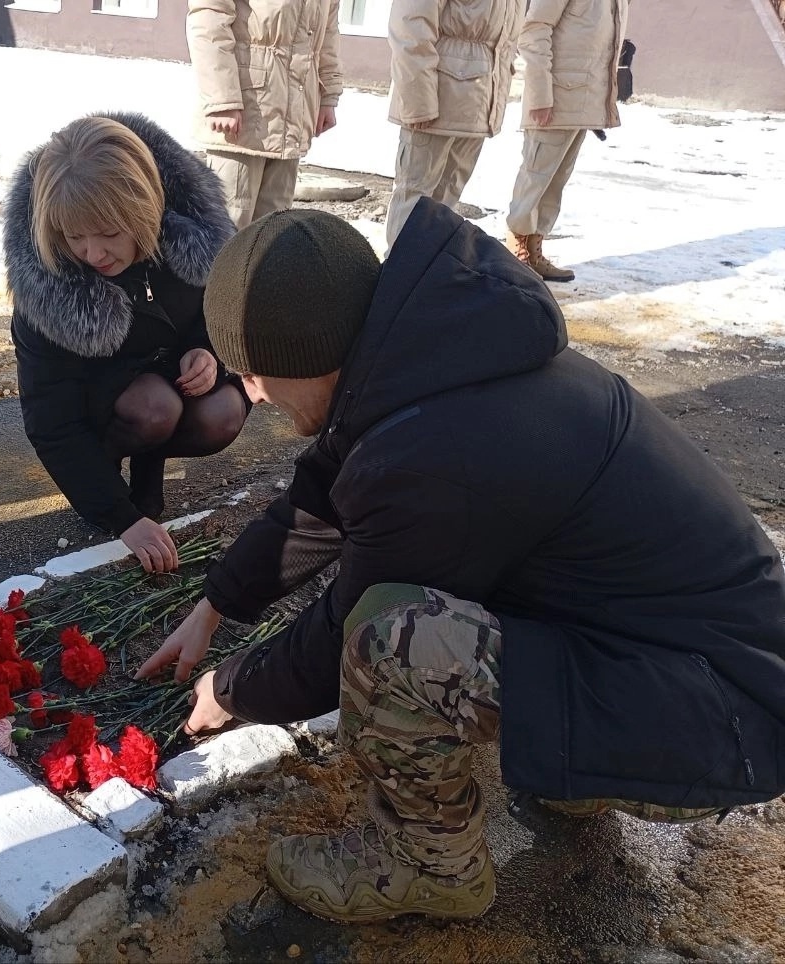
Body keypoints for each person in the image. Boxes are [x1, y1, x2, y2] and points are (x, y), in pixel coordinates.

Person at [138, 200, 785, 924]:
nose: (251, 395)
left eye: (253, 375)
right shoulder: (435, 361)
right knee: (434, 607)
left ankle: (423, 865)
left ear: (305, 356)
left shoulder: (432, 455)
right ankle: (590, 758)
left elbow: (337, 640)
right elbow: (318, 499)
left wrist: (231, 688)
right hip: (694, 662)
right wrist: (217, 603)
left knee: (393, 639)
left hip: (725, 723)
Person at [4, 112, 247, 574]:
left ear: (146, 208)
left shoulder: (193, 240)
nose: (92, 254)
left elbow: (219, 316)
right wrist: (121, 518)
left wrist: (210, 354)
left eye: (110, 234)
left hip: (166, 383)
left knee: (224, 413)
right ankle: (110, 469)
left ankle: (149, 459)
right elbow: (51, 422)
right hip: (105, 408)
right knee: (153, 407)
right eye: (74, 236)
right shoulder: (47, 286)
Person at [187, 0, 342, 229]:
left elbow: (328, 29)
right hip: (242, 114)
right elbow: (209, 14)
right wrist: (222, 99)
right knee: (229, 227)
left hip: (294, 113)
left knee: (273, 233)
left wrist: (328, 93)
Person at [384, 0, 524, 251]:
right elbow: (410, 24)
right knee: (414, 201)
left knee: (445, 203)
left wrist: (495, 100)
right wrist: (419, 100)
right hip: (435, 98)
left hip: (475, 101)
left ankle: (427, 277)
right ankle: (398, 281)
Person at [506, 0, 630, 282]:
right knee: (536, 174)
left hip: (585, 96)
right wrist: (540, 93)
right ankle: (515, 250)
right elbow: (534, 29)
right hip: (555, 96)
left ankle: (535, 248)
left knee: (557, 178)